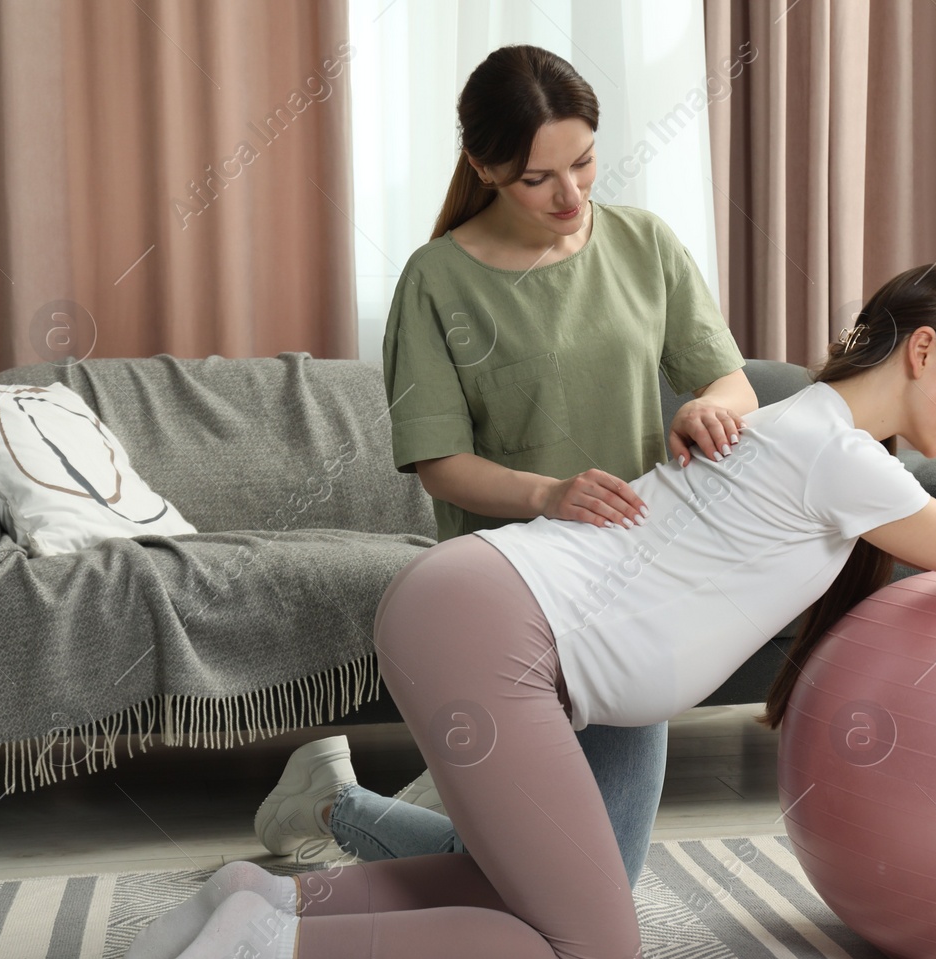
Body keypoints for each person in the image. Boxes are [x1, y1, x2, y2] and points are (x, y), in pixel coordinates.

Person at [105, 263, 936, 959]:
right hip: (493, 624)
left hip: (494, 620)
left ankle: (266, 892)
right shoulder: (834, 450)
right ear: (919, 348)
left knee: (538, 890)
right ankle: (273, 950)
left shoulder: (807, 438)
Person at [250, 44, 754, 889]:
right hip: (502, 609)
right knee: (559, 886)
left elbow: (730, 380)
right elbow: (441, 465)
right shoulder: (434, 282)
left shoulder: (645, 244)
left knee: (594, 887)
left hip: (627, 601)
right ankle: (343, 803)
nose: (571, 195)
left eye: (585, 162)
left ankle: (338, 801)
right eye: (537, 178)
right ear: (485, 167)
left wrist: (714, 407)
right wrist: (549, 494)